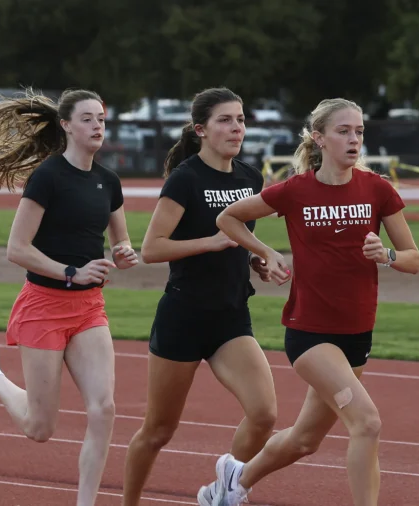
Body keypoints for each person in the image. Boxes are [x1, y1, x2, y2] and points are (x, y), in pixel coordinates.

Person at [200, 98, 419, 506]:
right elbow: (227, 218)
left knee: (304, 440)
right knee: (366, 423)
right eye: (343, 131)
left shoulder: (377, 189)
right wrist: (265, 251)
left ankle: (235, 478)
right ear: (319, 138)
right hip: (310, 334)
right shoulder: (296, 190)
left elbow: (413, 259)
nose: (354, 139)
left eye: (359, 131)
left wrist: (387, 255)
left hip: (356, 334)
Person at [0, 88, 139, 506]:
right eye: (88, 119)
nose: (97, 127)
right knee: (40, 428)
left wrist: (124, 253)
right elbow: (17, 249)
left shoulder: (109, 181)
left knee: (104, 409)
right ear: (67, 126)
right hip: (44, 306)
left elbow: (121, 242)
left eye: (102, 119)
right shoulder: (49, 177)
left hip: (89, 308)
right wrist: (71, 272)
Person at [119, 87, 278, 506]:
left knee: (264, 414)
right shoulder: (185, 179)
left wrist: (253, 261)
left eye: (241, 119)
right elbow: (151, 249)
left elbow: (241, 238)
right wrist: (210, 242)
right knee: (158, 430)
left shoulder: (249, 177)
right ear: (201, 129)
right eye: (225, 120)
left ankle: (222, 491)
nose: (236, 127)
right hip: (184, 317)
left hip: (230, 316)